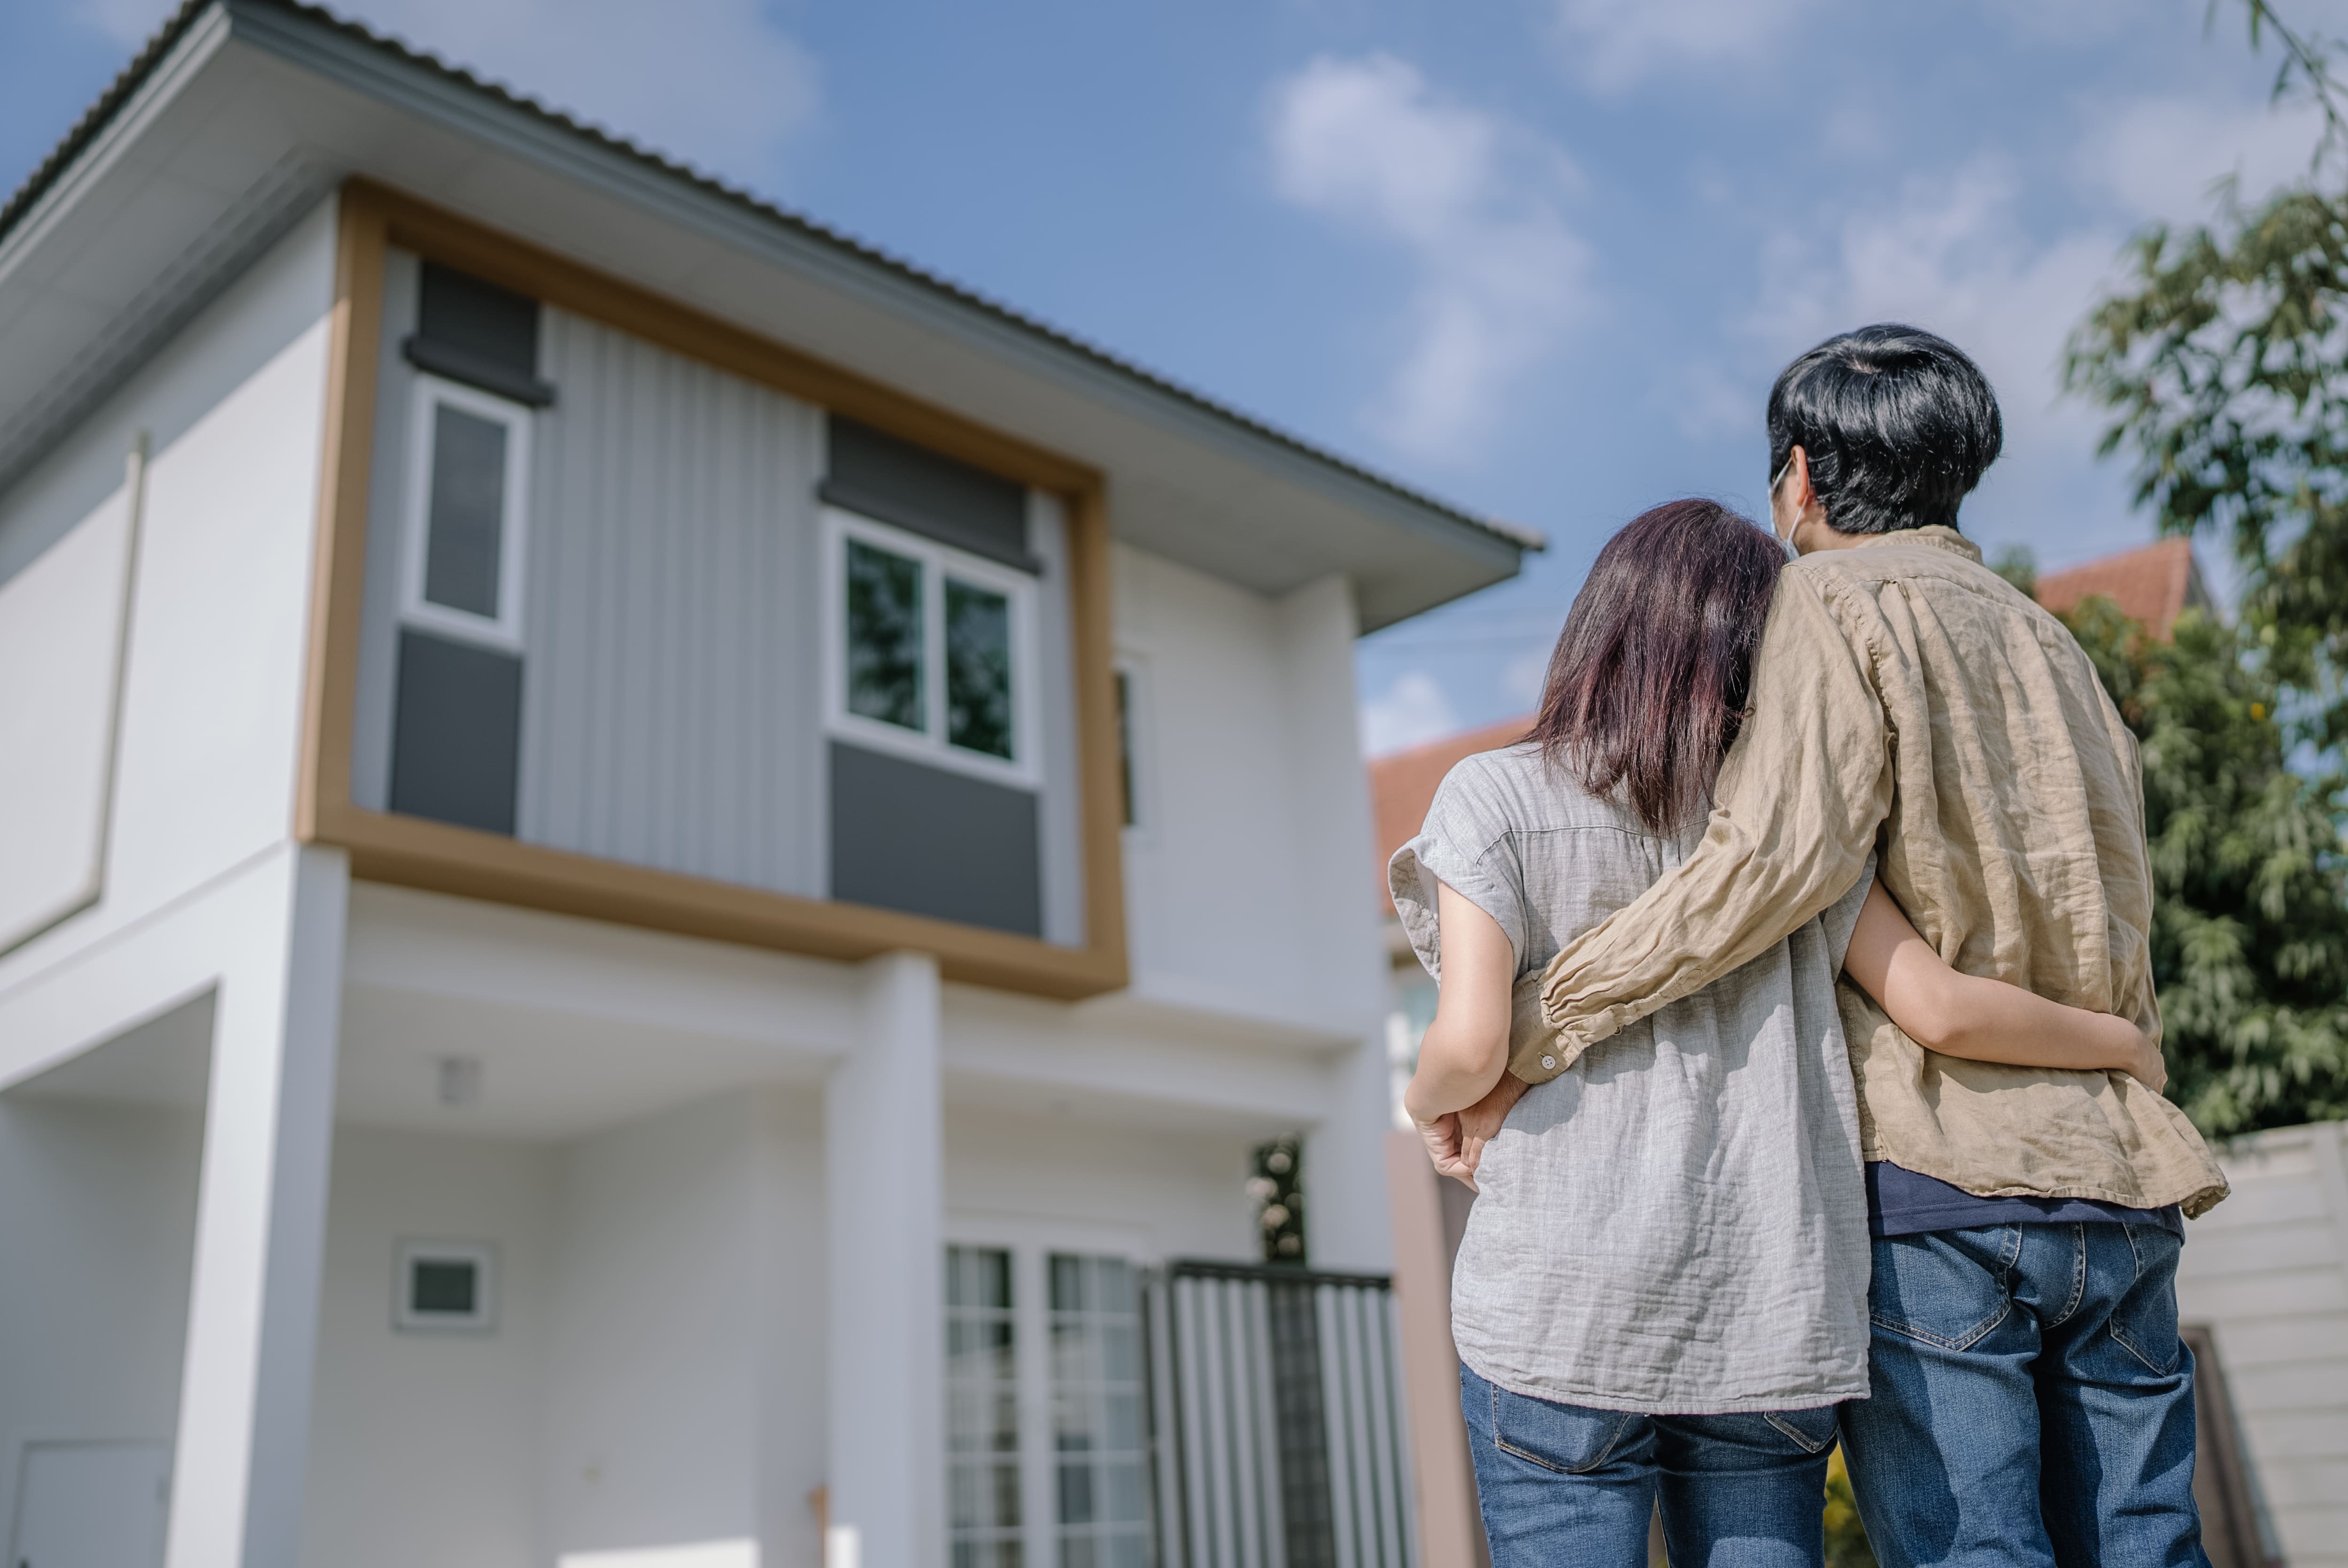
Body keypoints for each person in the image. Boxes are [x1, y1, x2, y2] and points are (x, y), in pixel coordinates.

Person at [1489, 326, 2229, 1567]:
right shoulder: (2062, 647)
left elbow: (1770, 865)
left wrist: (1535, 1020)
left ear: (1799, 476)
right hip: (2122, 1177)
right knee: (2151, 1546)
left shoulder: (1820, 602)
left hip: (1937, 1188)